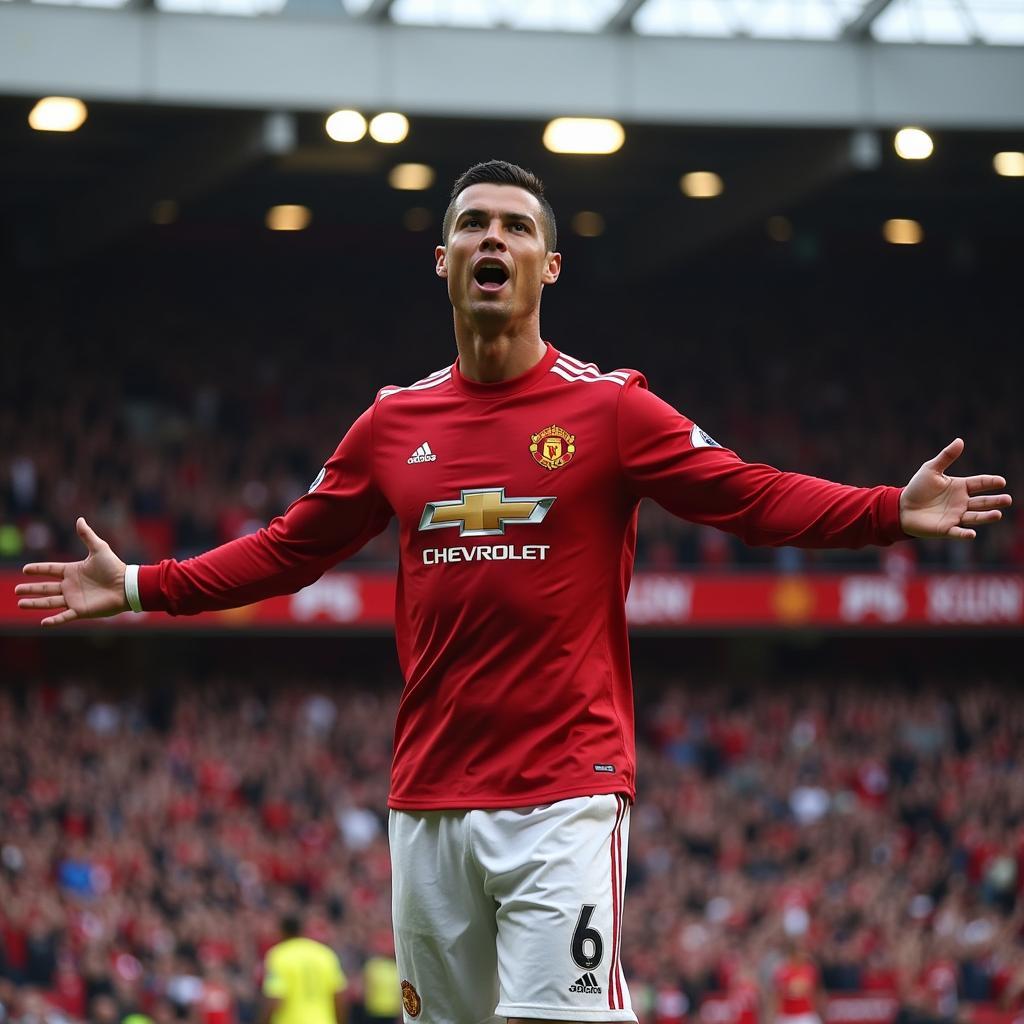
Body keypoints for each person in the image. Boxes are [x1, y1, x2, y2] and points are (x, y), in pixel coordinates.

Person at [16, 160, 1012, 1024]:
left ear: (548, 268)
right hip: (428, 800)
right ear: (443, 261)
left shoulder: (610, 409)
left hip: (563, 796)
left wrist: (888, 509)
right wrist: (144, 584)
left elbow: (746, 495)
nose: (493, 238)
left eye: (517, 227)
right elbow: (288, 549)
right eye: (473, 225)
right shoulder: (390, 423)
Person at [259, 915, 348, 1024]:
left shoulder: (279, 956)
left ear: (281, 931)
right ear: (303, 930)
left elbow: (275, 998)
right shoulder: (324, 954)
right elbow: (339, 996)